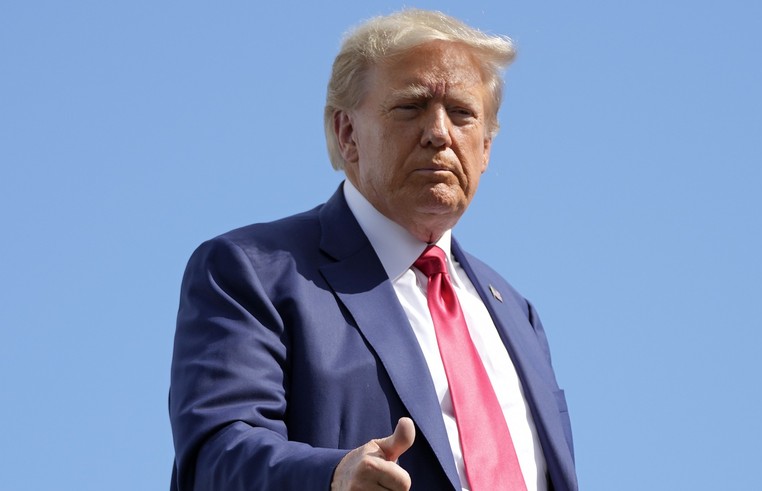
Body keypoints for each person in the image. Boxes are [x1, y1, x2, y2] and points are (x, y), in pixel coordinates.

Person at [169, 9, 577, 491]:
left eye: (463, 114)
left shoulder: (518, 316)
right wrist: (332, 479)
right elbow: (216, 457)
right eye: (410, 106)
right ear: (347, 134)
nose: (439, 133)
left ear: (485, 148)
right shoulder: (250, 271)